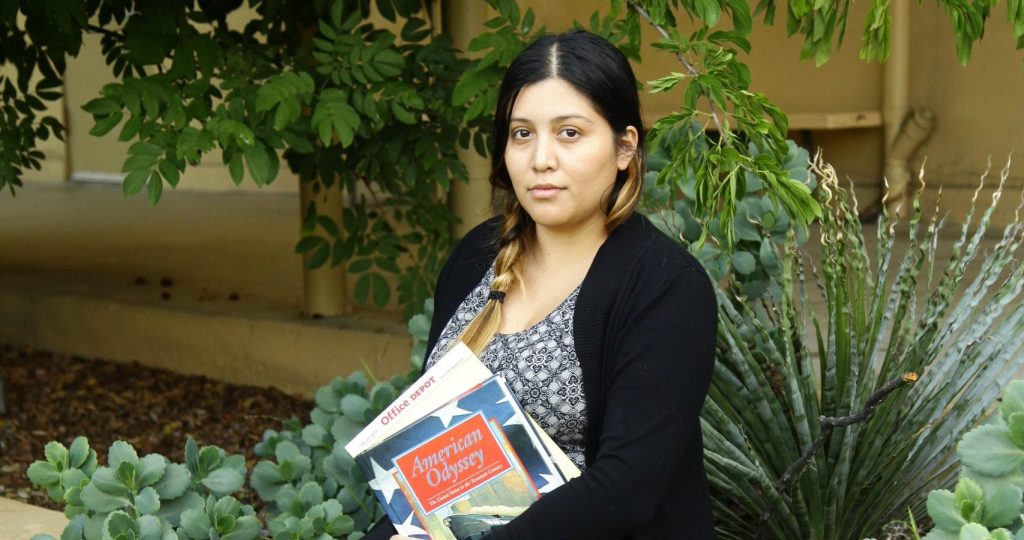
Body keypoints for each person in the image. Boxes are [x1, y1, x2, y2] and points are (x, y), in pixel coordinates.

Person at [367, 30, 717, 540]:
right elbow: (430, 461)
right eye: (522, 134)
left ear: (624, 147)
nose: (540, 159)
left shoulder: (666, 287)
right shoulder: (473, 259)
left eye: (569, 133)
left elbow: (626, 490)